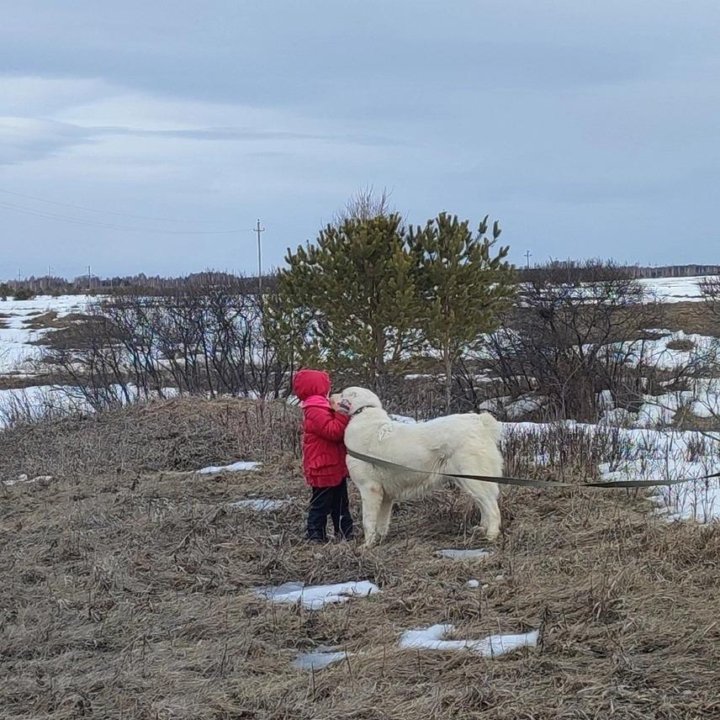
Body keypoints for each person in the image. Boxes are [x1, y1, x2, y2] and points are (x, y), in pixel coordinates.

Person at [292, 368, 354, 542]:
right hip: (324, 468)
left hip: (332, 466)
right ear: (317, 387)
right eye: (326, 385)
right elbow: (333, 432)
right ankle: (315, 536)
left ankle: (345, 533)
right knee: (321, 505)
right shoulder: (315, 409)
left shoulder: (321, 406)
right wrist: (342, 413)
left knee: (340, 504)